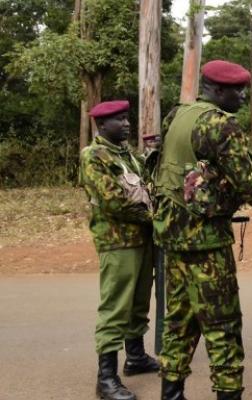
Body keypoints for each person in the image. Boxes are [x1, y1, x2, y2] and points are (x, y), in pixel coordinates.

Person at [154, 60, 252, 400]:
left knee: (179, 321)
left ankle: (171, 393)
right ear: (217, 91)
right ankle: (227, 393)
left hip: (171, 234)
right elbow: (250, 185)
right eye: (236, 91)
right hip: (204, 239)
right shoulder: (221, 126)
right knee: (222, 326)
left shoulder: (177, 114)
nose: (241, 97)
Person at [79, 100, 159, 400]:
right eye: (119, 120)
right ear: (101, 125)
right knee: (115, 308)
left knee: (138, 303)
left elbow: (147, 190)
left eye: (127, 118)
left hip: (142, 240)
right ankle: (106, 379)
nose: (126, 124)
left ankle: (135, 358)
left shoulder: (129, 156)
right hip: (117, 242)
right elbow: (113, 201)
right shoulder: (93, 156)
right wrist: (154, 218)